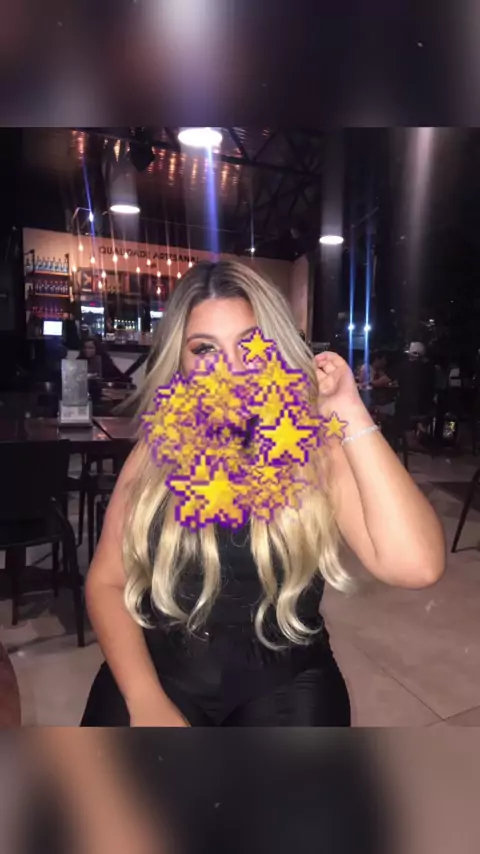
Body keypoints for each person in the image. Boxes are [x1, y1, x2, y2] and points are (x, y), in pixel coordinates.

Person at [82, 261, 445, 727]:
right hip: (158, 672)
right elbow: (106, 582)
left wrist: (348, 410)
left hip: (285, 680)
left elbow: (417, 565)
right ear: (181, 362)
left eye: (249, 346)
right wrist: (144, 699)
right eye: (205, 349)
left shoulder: (315, 448)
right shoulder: (157, 450)